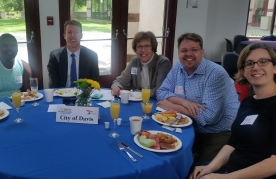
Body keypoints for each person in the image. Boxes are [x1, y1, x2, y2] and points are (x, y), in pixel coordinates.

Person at [190, 43, 276, 179]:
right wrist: (210, 168)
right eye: (249, 63)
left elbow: (274, 164)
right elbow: (233, 143)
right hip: (231, 172)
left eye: (263, 61)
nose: (256, 67)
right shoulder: (248, 102)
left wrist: (225, 178)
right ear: (243, 71)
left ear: (275, 67)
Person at [156, 32, 240, 162]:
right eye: (184, 50)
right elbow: (161, 92)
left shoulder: (216, 74)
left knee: (199, 171)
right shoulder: (178, 66)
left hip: (217, 132)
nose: (188, 54)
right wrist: (182, 102)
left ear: (202, 52)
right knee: (165, 156)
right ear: (178, 53)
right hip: (189, 126)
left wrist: (172, 106)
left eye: (194, 50)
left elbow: (209, 117)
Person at [111, 31, 171, 98]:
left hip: (156, 102)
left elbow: (160, 90)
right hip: (138, 101)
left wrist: (142, 93)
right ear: (135, 49)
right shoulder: (135, 61)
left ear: (153, 48)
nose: (143, 50)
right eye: (139, 46)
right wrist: (116, 87)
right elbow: (120, 81)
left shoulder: (162, 62)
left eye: (147, 46)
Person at [47, 20, 99, 88]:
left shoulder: (92, 56)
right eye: (69, 32)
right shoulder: (55, 56)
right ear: (64, 36)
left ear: (81, 35)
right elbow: (53, 84)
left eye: (76, 32)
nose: (73, 35)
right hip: (62, 95)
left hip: (83, 95)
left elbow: (95, 84)